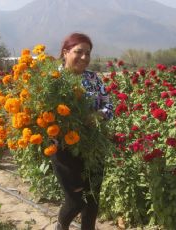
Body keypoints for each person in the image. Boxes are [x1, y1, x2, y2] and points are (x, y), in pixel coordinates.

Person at [51, 32, 113, 230]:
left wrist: (96, 116)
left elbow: (108, 106)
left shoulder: (93, 78)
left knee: (92, 199)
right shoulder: (53, 80)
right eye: (79, 52)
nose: (84, 57)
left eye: (88, 53)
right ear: (65, 52)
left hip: (93, 146)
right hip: (64, 149)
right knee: (76, 200)